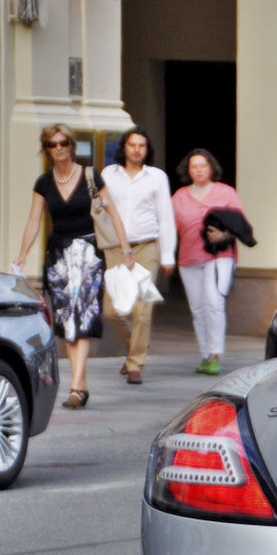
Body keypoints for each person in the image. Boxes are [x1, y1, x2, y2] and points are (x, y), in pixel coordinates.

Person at [14, 123, 125, 410]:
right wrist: (22, 254)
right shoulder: (44, 183)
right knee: (67, 321)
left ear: (72, 146)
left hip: (88, 252)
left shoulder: (90, 175)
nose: (59, 148)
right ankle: (81, 385)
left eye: (64, 143)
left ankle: (76, 386)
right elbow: (33, 220)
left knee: (83, 318)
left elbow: (113, 213)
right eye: (53, 144)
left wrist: (125, 248)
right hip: (58, 255)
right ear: (47, 149)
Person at [101, 128, 175, 385]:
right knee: (111, 311)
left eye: (141, 145)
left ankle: (135, 363)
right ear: (124, 147)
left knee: (142, 311)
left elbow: (165, 215)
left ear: (147, 150)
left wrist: (167, 254)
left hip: (146, 247)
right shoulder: (108, 175)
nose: (136, 149)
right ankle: (136, 347)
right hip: (115, 249)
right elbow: (99, 210)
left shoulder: (156, 177)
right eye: (132, 145)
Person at [170, 149, 246, 376]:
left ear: (211, 167)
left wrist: (223, 236)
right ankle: (205, 354)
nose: (199, 170)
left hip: (219, 256)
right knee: (198, 308)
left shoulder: (226, 193)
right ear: (188, 170)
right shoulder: (179, 197)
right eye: (194, 166)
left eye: (203, 165)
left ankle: (215, 354)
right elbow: (168, 228)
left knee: (214, 303)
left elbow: (241, 225)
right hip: (188, 258)